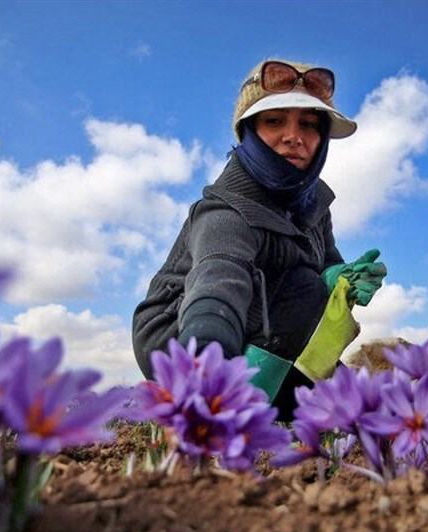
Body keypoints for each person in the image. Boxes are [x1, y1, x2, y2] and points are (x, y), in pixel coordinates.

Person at [132, 59, 386, 420]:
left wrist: (340, 277)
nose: (294, 135)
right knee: (304, 289)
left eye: (310, 125)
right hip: (182, 338)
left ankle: (263, 401)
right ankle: (225, 412)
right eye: (274, 120)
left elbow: (326, 261)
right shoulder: (226, 210)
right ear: (248, 130)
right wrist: (206, 361)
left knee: (350, 403)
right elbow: (218, 282)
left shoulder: (313, 205)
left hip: (268, 326)